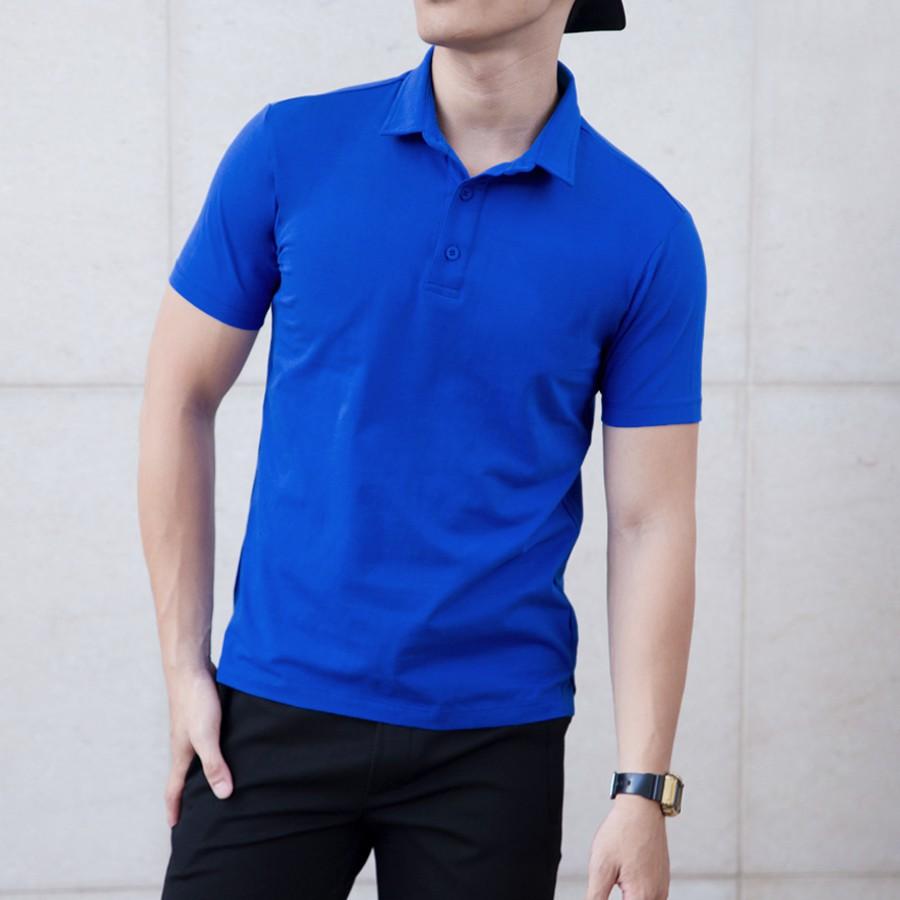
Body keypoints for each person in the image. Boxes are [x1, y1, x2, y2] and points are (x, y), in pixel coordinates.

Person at [138, 0, 706, 897]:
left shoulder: (647, 234)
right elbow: (179, 395)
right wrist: (183, 668)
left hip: (492, 744)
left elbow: (651, 521)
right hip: (272, 709)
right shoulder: (290, 149)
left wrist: (644, 788)